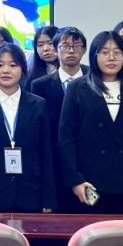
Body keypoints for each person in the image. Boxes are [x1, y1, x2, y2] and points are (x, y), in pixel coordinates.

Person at [58, 31, 123, 214]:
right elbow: (66, 137)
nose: (111, 58)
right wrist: (75, 179)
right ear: (94, 55)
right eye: (105, 52)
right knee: (92, 230)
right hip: (90, 182)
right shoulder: (78, 88)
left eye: (117, 52)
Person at [0, 44, 55, 213]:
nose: (6, 70)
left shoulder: (38, 104)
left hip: (31, 193)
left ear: (23, 69)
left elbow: (46, 152)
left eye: (13, 65)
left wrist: (48, 197)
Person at [30, 26, 89, 212]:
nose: (71, 51)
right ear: (56, 49)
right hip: (55, 164)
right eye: (65, 46)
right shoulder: (39, 86)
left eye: (76, 46)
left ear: (84, 50)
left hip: (89, 163)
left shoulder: (94, 80)